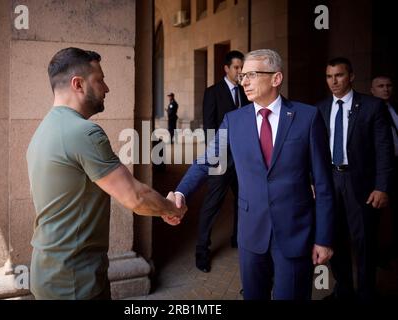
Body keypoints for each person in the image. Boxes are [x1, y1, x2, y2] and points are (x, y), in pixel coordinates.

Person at [165, 49, 335, 300]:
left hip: (295, 232)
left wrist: (323, 238)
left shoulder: (307, 117)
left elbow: (323, 183)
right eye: (242, 75)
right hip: (251, 234)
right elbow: (206, 160)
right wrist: (180, 192)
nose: (243, 81)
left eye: (251, 75)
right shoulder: (234, 121)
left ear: (276, 78)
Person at [26, 47, 185, 300]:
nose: (107, 87)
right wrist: (171, 208)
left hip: (47, 273)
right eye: (99, 80)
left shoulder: (43, 129)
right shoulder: (84, 133)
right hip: (76, 282)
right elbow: (135, 197)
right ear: (78, 84)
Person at [316, 58, 394, 300]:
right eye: (329, 76)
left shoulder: (372, 106)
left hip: (360, 183)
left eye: (339, 75)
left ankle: (366, 292)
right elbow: (315, 150)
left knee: (364, 242)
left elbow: (384, 149)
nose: (334, 81)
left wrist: (382, 187)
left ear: (351, 76)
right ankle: (344, 290)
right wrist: (312, 180)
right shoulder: (320, 109)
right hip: (331, 181)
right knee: (334, 237)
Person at [196, 50, 249, 273]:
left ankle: (238, 238)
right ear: (226, 69)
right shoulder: (213, 92)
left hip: (243, 158)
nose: (240, 71)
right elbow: (209, 128)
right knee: (212, 204)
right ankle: (202, 250)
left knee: (243, 199)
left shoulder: (247, 92)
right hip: (221, 158)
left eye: (242, 68)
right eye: (236, 67)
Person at [371, 75, 398, 266]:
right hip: (376, 173)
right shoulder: (368, 111)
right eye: (381, 86)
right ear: (372, 90)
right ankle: (377, 256)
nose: (385, 89)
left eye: (389, 85)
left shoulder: (395, 110)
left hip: (396, 168)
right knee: (375, 219)